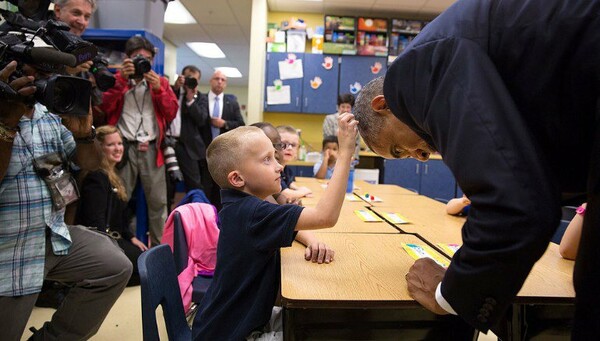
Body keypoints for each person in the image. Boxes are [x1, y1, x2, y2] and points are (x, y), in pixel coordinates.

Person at [352, 0, 600, 336]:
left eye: (399, 148)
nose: (419, 155)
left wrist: (448, 295)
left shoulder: (414, 75)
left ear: (383, 106)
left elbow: (516, 207)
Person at [192, 113, 358, 340]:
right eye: (267, 159)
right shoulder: (254, 213)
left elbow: (291, 225)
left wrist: (311, 240)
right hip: (235, 333)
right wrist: (346, 151)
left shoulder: (242, 206)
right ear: (237, 179)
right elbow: (325, 216)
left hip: (226, 322)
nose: (279, 166)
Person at [0, 61, 132, 340]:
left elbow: (91, 162)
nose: (40, 83)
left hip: (51, 234)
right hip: (8, 247)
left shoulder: (48, 115)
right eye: (30, 74)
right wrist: (7, 125)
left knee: (113, 265)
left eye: (46, 75)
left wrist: (85, 135)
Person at [100, 35, 178, 246]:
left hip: (152, 148)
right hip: (123, 147)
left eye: (146, 58)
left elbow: (171, 112)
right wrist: (122, 82)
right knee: (118, 198)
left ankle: (161, 251)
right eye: (136, 58)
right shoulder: (118, 79)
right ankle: (114, 245)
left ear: (152, 61)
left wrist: (160, 90)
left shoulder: (160, 82)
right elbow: (104, 107)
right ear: (127, 59)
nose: (141, 63)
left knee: (158, 203)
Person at [77, 125, 148, 286]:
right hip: (103, 243)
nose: (118, 148)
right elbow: (95, 225)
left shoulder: (113, 176)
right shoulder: (96, 178)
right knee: (145, 269)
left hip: (116, 239)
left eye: (120, 143)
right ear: (100, 148)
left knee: (148, 259)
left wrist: (132, 237)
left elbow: (120, 219)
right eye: (111, 145)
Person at [166, 65, 209, 210]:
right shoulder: (172, 92)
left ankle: (198, 215)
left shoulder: (201, 98)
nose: (190, 82)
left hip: (188, 147)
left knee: (195, 184)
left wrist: (191, 100)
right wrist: (176, 88)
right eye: (187, 78)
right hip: (167, 143)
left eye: (193, 79)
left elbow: (201, 120)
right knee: (167, 184)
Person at [201, 70, 245, 208]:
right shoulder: (201, 99)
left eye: (223, 80)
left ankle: (219, 219)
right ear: (211, 81)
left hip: (223, 153)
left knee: (220, 188)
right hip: (201, 150)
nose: (219, 81)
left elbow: (240, 124)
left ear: (225, 84)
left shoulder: (231, 102)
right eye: (216, 78)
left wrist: (224, 124)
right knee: (203, 188)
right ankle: (203, 218)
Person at [277, 125, 312, 196]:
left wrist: (298, 189)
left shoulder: (286, 169)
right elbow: (286, 195)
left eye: (293, 145)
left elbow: (289, 183)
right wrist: (303, 192)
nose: (289, 148)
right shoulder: (274, 170)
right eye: (284, 144)